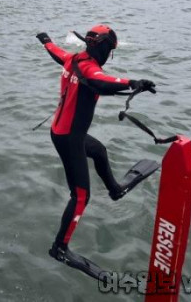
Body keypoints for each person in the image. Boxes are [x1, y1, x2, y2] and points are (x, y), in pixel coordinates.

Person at [36, 24, 158, 271]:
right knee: (80, 195)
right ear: (103, 48)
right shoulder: (90, 68)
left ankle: (114, 189)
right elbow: (100, 81)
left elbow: (56, 52)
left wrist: (45, 39)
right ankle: (60, 247)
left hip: (66, 133)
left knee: (99, 151)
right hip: (69, 138)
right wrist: (133, 82)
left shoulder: (73, 59)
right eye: (110, 50)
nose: (109, 55)